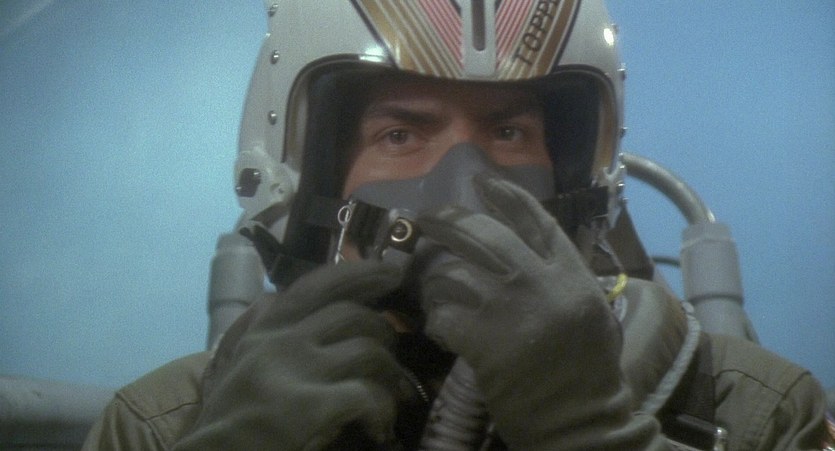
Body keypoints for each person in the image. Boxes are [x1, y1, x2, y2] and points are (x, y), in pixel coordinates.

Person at [82, 1, 832, 449]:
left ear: (573, 176)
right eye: (400, 135)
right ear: (310, 180)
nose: (465, 184)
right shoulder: (160, 425)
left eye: (508, 133)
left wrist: (595, 433)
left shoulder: (751, 406)